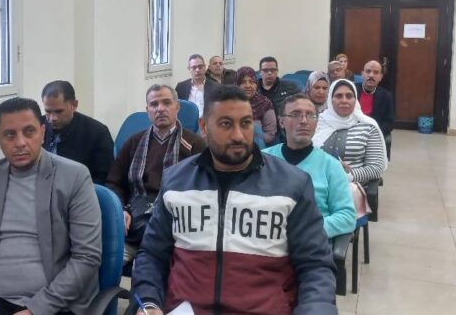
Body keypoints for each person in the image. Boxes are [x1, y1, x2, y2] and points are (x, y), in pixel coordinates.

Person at [131, 86, 337, 315]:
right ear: (204, 127)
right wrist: (149, 302)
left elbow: (315, 266)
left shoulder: (291, 184)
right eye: (226, 124)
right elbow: (152, 255)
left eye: (246, 123)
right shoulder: (176, 182)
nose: (239, 135)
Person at [0, 97, 101, 315]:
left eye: (29, 132)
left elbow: (86, 258)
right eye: (10, 135)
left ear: (42, 132)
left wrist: (35, 310)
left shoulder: (74, 176)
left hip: (55, 304)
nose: (20, 142)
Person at [105, 85, 207, 262]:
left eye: (166, 103)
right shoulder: (134, 142)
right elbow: (114, 183)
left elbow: (203, 190)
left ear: (177, 107)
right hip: (134, 223)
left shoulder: (194, 145)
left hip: (174, 229)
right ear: (147, 110)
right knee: (106, 264)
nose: (160, 109)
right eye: (154, 104)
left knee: (152, 268)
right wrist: (120, 209)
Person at [264, 94, 356, 239]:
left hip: (309, 244)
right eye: (295, 114)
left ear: (316, 123)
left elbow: (347, 217)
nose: (304, 121)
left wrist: (306, 230)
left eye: (310, 115)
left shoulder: (331, 166)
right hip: (265, 240)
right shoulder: (263, 160)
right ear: (281, 122)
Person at [313, 80, 387, 185]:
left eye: (349, 96)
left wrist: (346, 175)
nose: (344, 100)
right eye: (339, 96)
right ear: (330, 99)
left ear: (355, 100)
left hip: (351, 186)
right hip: (316, 181)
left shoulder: (368, 126)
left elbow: (376, 168)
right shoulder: (318, 122)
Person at [41, 80, 114, 184]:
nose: (52, 118)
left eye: (59, 111)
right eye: (48, 111)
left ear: (74, 105)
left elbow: (103, 179)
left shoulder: (98, 133)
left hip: (80, 189)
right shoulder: (37, 126)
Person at [356, 60, 394, 158]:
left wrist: (372, 132)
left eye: (376, 72)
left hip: (373, 134)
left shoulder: (386, 96)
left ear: (380, 77)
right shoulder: (352, 91)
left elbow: (389, 123)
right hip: (352, 130)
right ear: (362, 74)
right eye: (368, 71)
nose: (371, 75)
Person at [237, 66, 277, 145]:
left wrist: (250, 137)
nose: (248, 86)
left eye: (252, 82)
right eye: (243, 82)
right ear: (236, 85)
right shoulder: (228, 104)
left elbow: (270, 135)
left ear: (256, 84)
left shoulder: (265, 103)